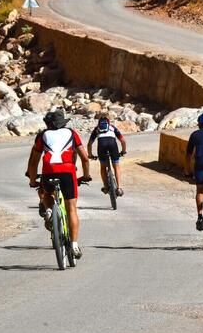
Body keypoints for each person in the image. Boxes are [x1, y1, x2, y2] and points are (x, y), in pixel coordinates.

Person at [26, 108, 91, 260]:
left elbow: (34, 161)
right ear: (62, 123)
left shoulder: (43, 135)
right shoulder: (72, 133)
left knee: (46, 193)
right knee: (72, 210)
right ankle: (74, 245)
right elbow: (85, 158)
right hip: (68, 172)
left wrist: (32, 180)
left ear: (48, 124)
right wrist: (86, 175)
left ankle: (49, 210)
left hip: (49, 171)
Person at [88, 112, 127, 196]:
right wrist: (123, 151)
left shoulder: (96, 129)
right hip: (113, 145)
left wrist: (90, 155)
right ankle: (119, 188)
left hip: (102, 146)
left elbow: (90, 143)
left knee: (103, 167)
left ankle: (106, 187)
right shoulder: (112, 128)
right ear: (108, 122)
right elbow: (123, 141)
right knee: (116, 166)